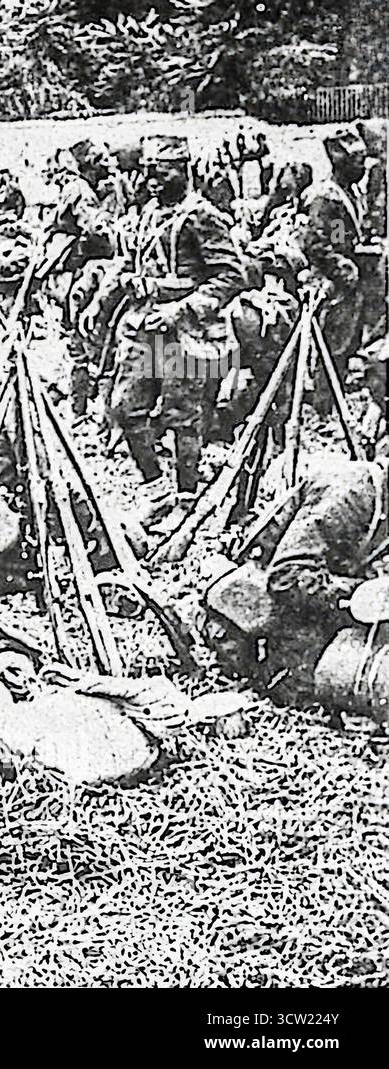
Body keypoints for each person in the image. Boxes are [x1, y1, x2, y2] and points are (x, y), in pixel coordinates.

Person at [82, 134, 246, 524]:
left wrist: (180, 310)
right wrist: (99, 302)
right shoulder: (146, 214)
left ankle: (187, 501)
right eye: (147, 174)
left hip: (187, 331)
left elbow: (230, 276)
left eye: (162, 174)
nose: (152, 182)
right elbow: (126, 262)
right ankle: (156, 490)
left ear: (184, 171)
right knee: (124, 407)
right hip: (143, 324)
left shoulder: (202, 217)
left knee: (182, 418)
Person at [206, 456, 389, 707]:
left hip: (316, 601)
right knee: (320, 692)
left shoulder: (380, 500)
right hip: (269, 613)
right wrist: (359, 593)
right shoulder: (349, 492)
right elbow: (286, 577)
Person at [301, 128, 383, 411]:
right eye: (357, 162)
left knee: (348, 344)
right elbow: (317, 244)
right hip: (333, 283)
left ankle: (335, 397)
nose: (362, 168)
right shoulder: (326, 198)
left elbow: (342, 237)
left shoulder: (350, 194)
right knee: (333, 346)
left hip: (352, 281)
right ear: (341, 164)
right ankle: (324, 404)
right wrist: (342, 265)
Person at [48, 139, 117, 416]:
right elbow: (97, 230)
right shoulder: (81, 191)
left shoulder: (79, 188)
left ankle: (78, 410)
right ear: (89, 164)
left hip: (67, 276)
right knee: (94, 344)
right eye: (102, 159)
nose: (109, 163)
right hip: (77, 277)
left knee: (78, 346)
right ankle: (99, 415)